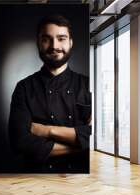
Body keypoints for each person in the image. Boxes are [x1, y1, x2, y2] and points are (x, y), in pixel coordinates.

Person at [8, 14, 91, 173]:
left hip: (81, 178)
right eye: (47, 39)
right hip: (37, 179)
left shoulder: (88, 85)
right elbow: (20, 142)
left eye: (61, 38)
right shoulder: (24, 88)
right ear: (38, 43)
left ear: (71, 42)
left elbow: (97, 136)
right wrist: (80, 143)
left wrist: (46, 131)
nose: (54, 46)